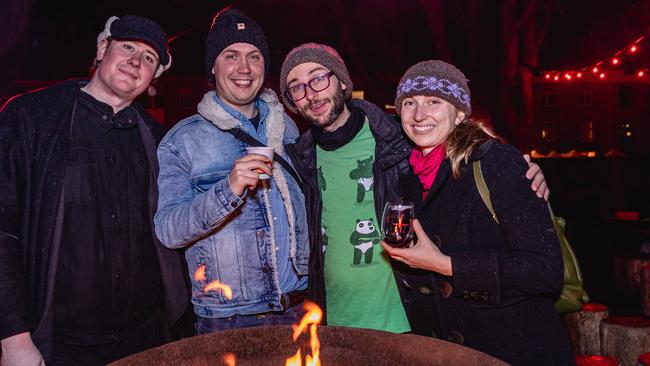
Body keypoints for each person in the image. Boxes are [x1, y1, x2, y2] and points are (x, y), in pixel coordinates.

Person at [280, 43, 549, 332]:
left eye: (319, 78)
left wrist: (523, 173)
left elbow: (459, 158)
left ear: (343, 82)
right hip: (331, 326)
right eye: (297, 88)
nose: (310, 93)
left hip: (410, 324)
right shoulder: (297, 160)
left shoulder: (399, 141)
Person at [0, 15, 190, 365]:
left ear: (154, 78)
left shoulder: (162, 141)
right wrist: (13, 336)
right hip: (60, 346)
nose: (135, 61)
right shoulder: (31, 119)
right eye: (128, 47)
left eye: (149, 58)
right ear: (103, 48)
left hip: (148, 338)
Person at [382, 60, 574, 365]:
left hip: (516, 351)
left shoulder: (496, 162)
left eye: (434, 101)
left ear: (459, 113)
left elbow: (546, 271)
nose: (419, 115)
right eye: (409, 103)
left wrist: (447, 265)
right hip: (448, 354)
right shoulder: (409, 177)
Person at [153, 9, 309, 334]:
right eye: (231, 55)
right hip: (228, 320)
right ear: (213, 65)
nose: (244, 68)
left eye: (254, 56)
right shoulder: (182, 141)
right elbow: (167, 230)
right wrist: (228, 189)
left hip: (299, 312)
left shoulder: (288, 130)